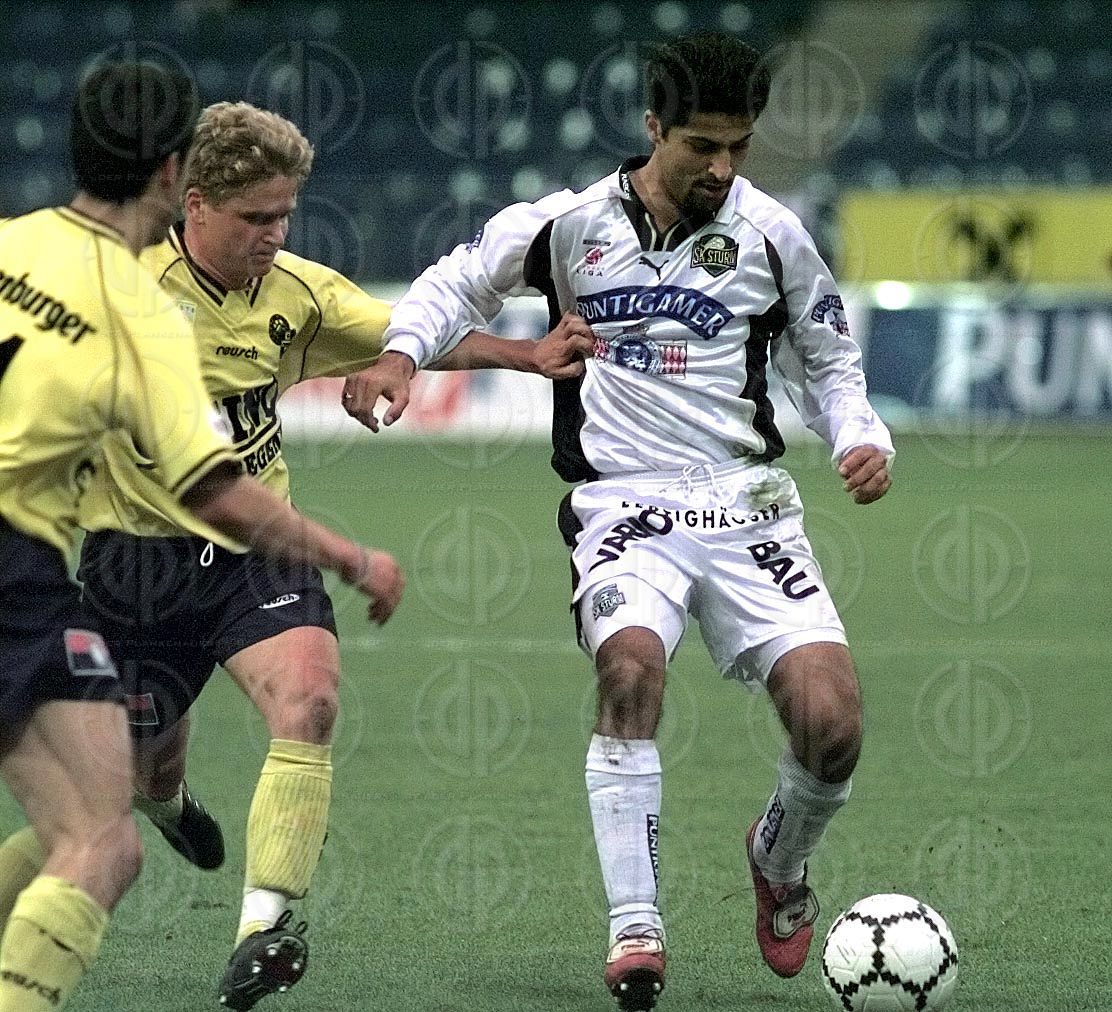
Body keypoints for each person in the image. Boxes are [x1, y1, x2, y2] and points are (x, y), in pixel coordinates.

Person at [345, 32, 893, 1012]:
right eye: (702, 147)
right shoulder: (567, 227)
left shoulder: (773, 234)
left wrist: (858, 434)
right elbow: (456, 281)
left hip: (746, 503)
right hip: (622, 503)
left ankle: (777, 859)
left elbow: (827, 358)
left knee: (832, 727)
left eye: (738, 147)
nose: (722, 168)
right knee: (630, 669)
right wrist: (400, 354)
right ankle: (634, 928)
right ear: (653, 129)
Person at [65, 100, 591, 1010]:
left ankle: (262, 930)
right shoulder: (124, 293)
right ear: (195, 204)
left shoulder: (298, 293)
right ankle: (169, 800)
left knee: (308, 702)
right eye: (255, 218)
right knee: (146, 766)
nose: (275, 235)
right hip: (135, 567)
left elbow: (405, 334)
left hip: (257, 548)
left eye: (285, 215)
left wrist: (523, 353)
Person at [0, 63, 402, 1012]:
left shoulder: (12, 243)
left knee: (93, 817)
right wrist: (350, 557)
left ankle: (251, 914)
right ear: (176, 175)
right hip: (28, 565)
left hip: (50, 573)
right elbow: (215, 492)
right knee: (100, 842)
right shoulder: (139, 310)